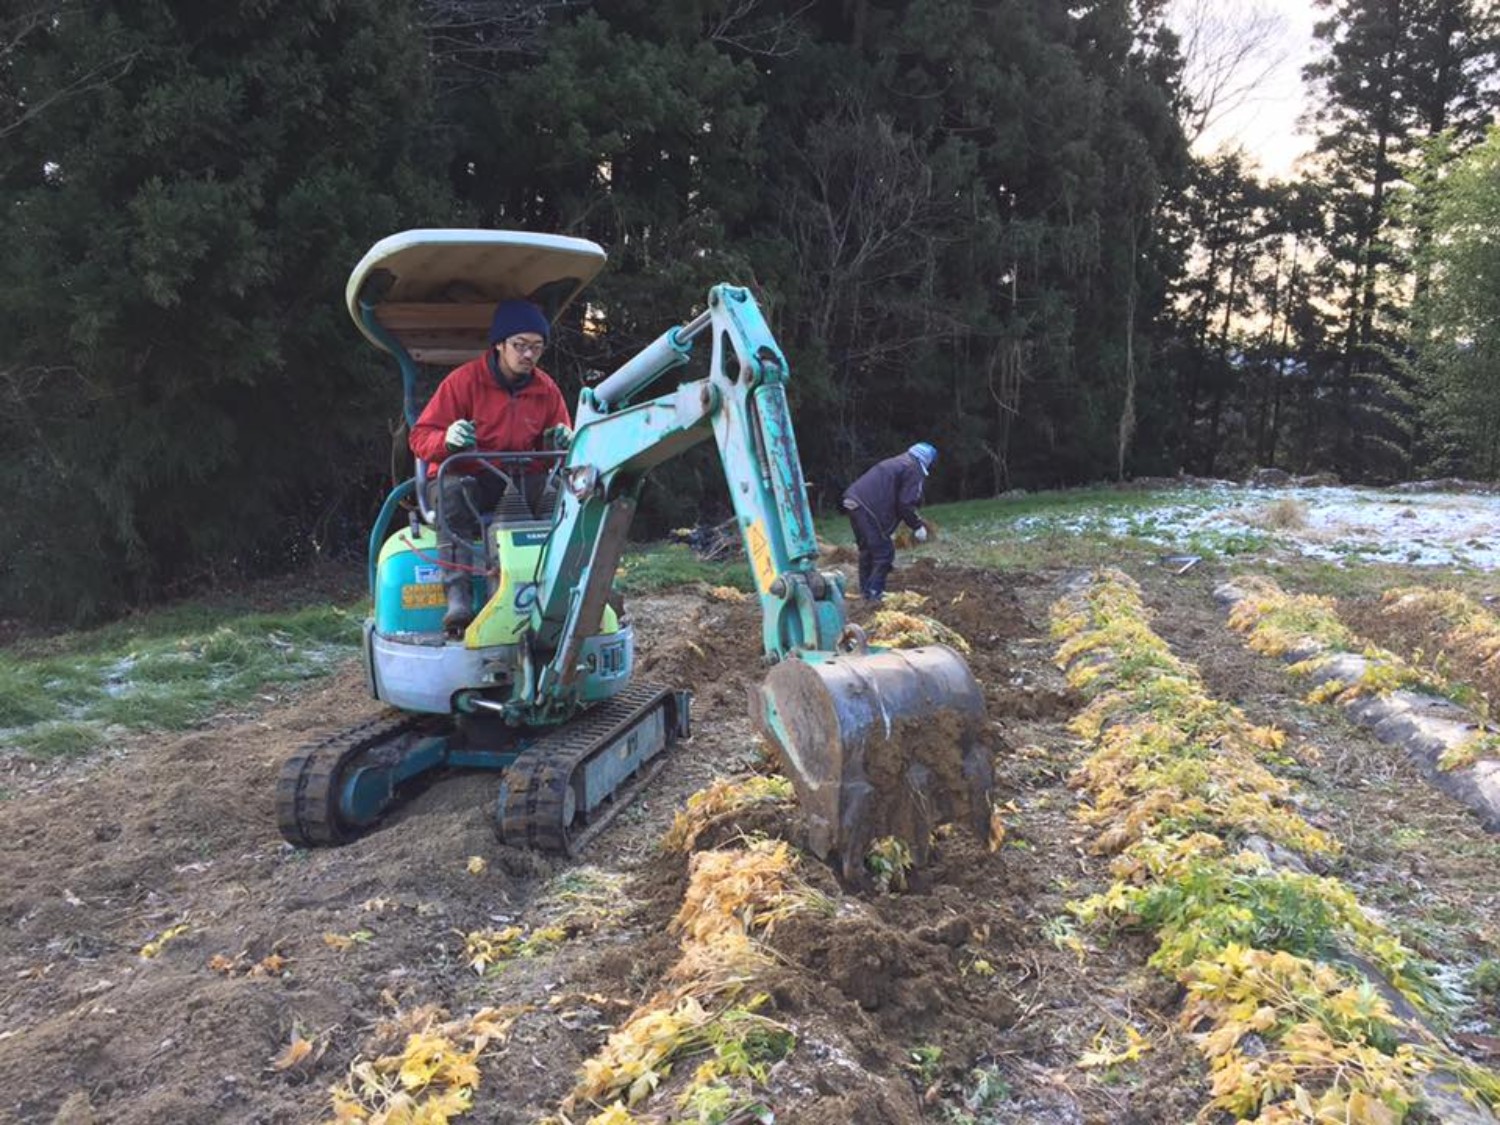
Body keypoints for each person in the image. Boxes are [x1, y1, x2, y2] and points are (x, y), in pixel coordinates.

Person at [409, 298, 574, 634]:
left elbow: (561, 447)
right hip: (468, 476)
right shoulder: (463, 382)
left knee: (561, 494)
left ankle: (559, 593)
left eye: (537, 347)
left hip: (517, 478)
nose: (528, 355)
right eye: (520, 345)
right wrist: (447, 440)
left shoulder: (546, 390)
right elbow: (420, 436)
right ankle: (458, 599)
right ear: (499, 344)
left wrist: (561, 441)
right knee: (454, 493)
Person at [841, 442, 936, 603]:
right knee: (884, 552)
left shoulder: (899, 461)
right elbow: (905, 503)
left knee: (867, 550)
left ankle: (866, 592)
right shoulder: (914, 469)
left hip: (853, 500)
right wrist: (917, 525)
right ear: (928, 460)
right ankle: (875, 593)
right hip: (869, 507)